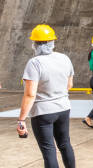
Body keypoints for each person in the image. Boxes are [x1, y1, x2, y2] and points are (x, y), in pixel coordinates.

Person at [18, 24, 76, 168]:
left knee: (49, 150)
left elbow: (30, 94)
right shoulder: (64, 58)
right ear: (52, 42)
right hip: (63, 109)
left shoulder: (34, 63)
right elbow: (69, 86)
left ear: (36, 44)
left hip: (42, 113)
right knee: (65, 144)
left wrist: (21, 119)